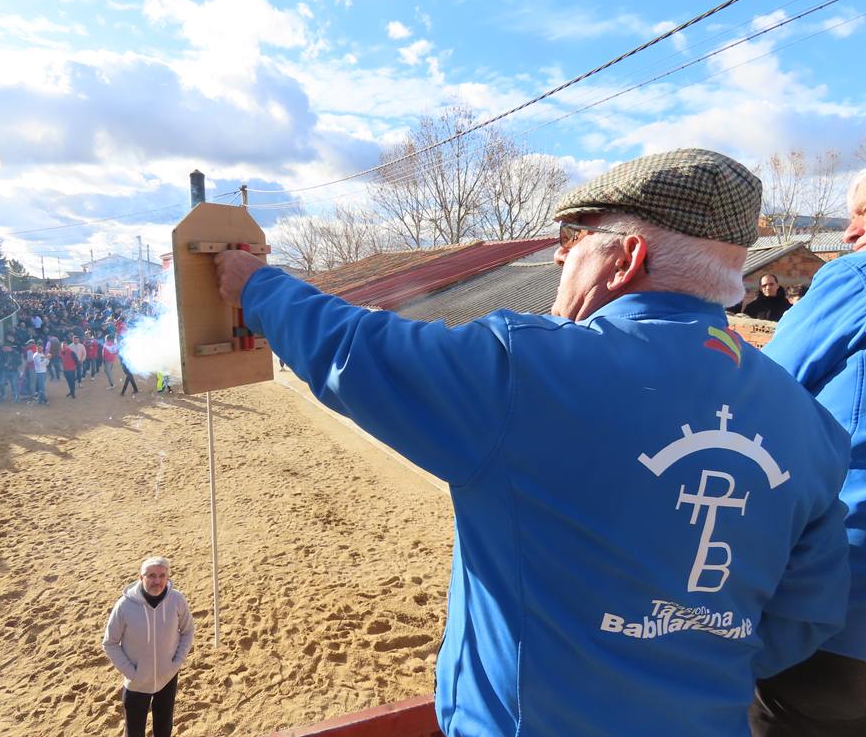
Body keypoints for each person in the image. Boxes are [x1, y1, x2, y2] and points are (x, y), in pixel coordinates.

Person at [214, 149, 852, 737]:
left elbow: (353, 350)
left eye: (574, 239)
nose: (558, 256)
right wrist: (683, 652)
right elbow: (806, 616)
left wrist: (255, 283)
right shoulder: (810, 421)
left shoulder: (527, 369)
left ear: (626, 257)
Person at [750, 169, 866, 735]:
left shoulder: (858, 280)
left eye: (864, 214)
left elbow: (766, 395)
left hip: (846, 614)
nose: (848, 234)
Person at [102, 557, 194, 737]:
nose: (157, 581)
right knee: (134, 732)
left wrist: (176, 663)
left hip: (167, 678)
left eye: (162, 576)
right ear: (140, 578)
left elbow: (188, 631)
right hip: (136, 683)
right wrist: (132, 672)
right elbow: (110, 643)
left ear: (168, 577)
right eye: (151, 576)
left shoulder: (177, 600)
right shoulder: (124, 605)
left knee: (163, 730)